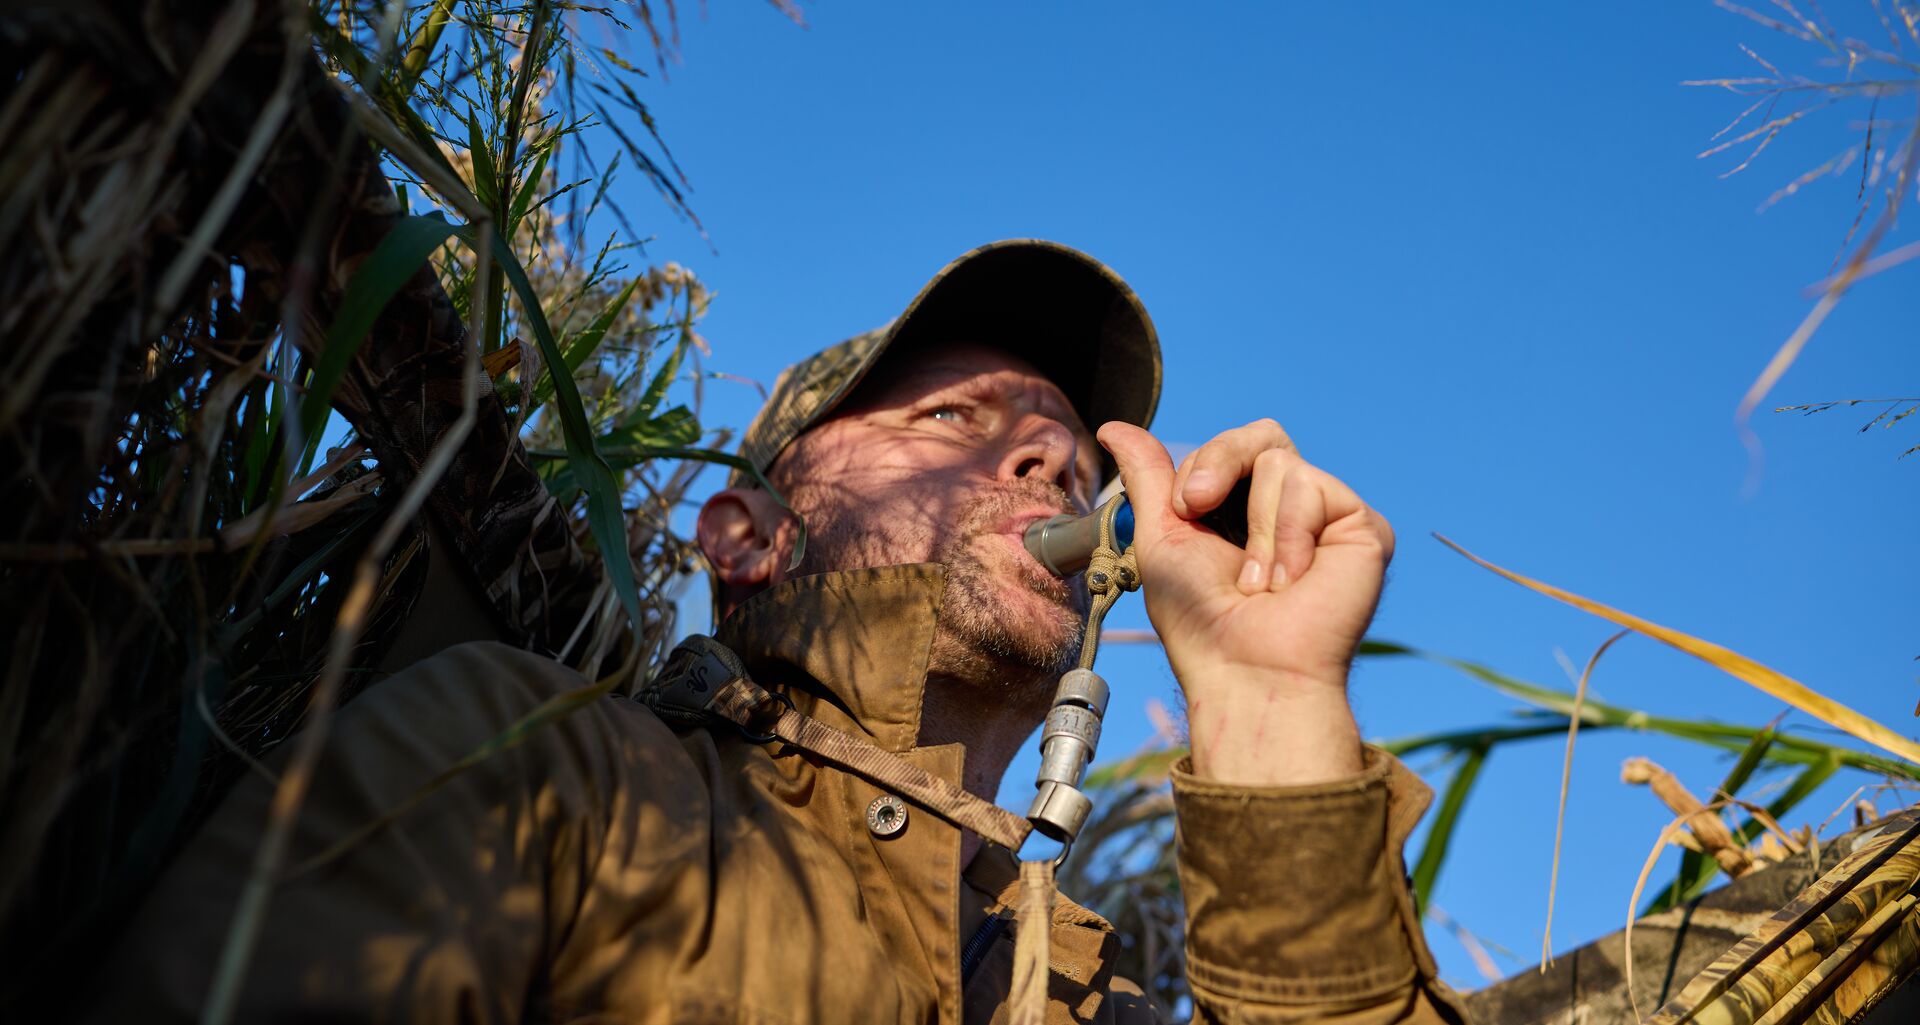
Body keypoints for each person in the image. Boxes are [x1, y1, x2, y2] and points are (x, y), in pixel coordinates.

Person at [93, 240, 1468, 1024]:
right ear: (744, 537)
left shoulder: (1091, 998)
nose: (1057, 468)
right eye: (954, 423)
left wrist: (1272, 706)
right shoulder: (547, 766)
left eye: (1071, 459)